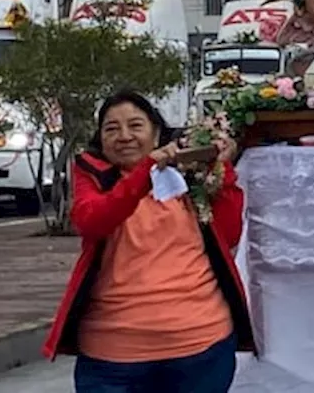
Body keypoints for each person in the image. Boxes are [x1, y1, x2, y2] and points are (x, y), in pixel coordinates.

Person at [43, 91, 252, 392]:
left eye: (135, 126)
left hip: (200, 345)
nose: (124, 136)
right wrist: (145, 172)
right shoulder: (92, 175)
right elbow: (92, 220)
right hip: (111, 353)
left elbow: (229, 233)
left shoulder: (189, 175)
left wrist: (221, 169)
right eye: (111, 129)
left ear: (156, 134)